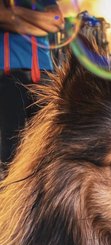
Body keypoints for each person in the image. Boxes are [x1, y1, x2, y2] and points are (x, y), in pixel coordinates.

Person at [0, 0, 63, 171]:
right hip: (9, 76)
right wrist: (40, 25)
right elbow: (3, 16)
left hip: (44, 76)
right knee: (11, 149)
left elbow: (57, 20)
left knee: (48, 143)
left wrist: (17, 13)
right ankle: (11, 196)